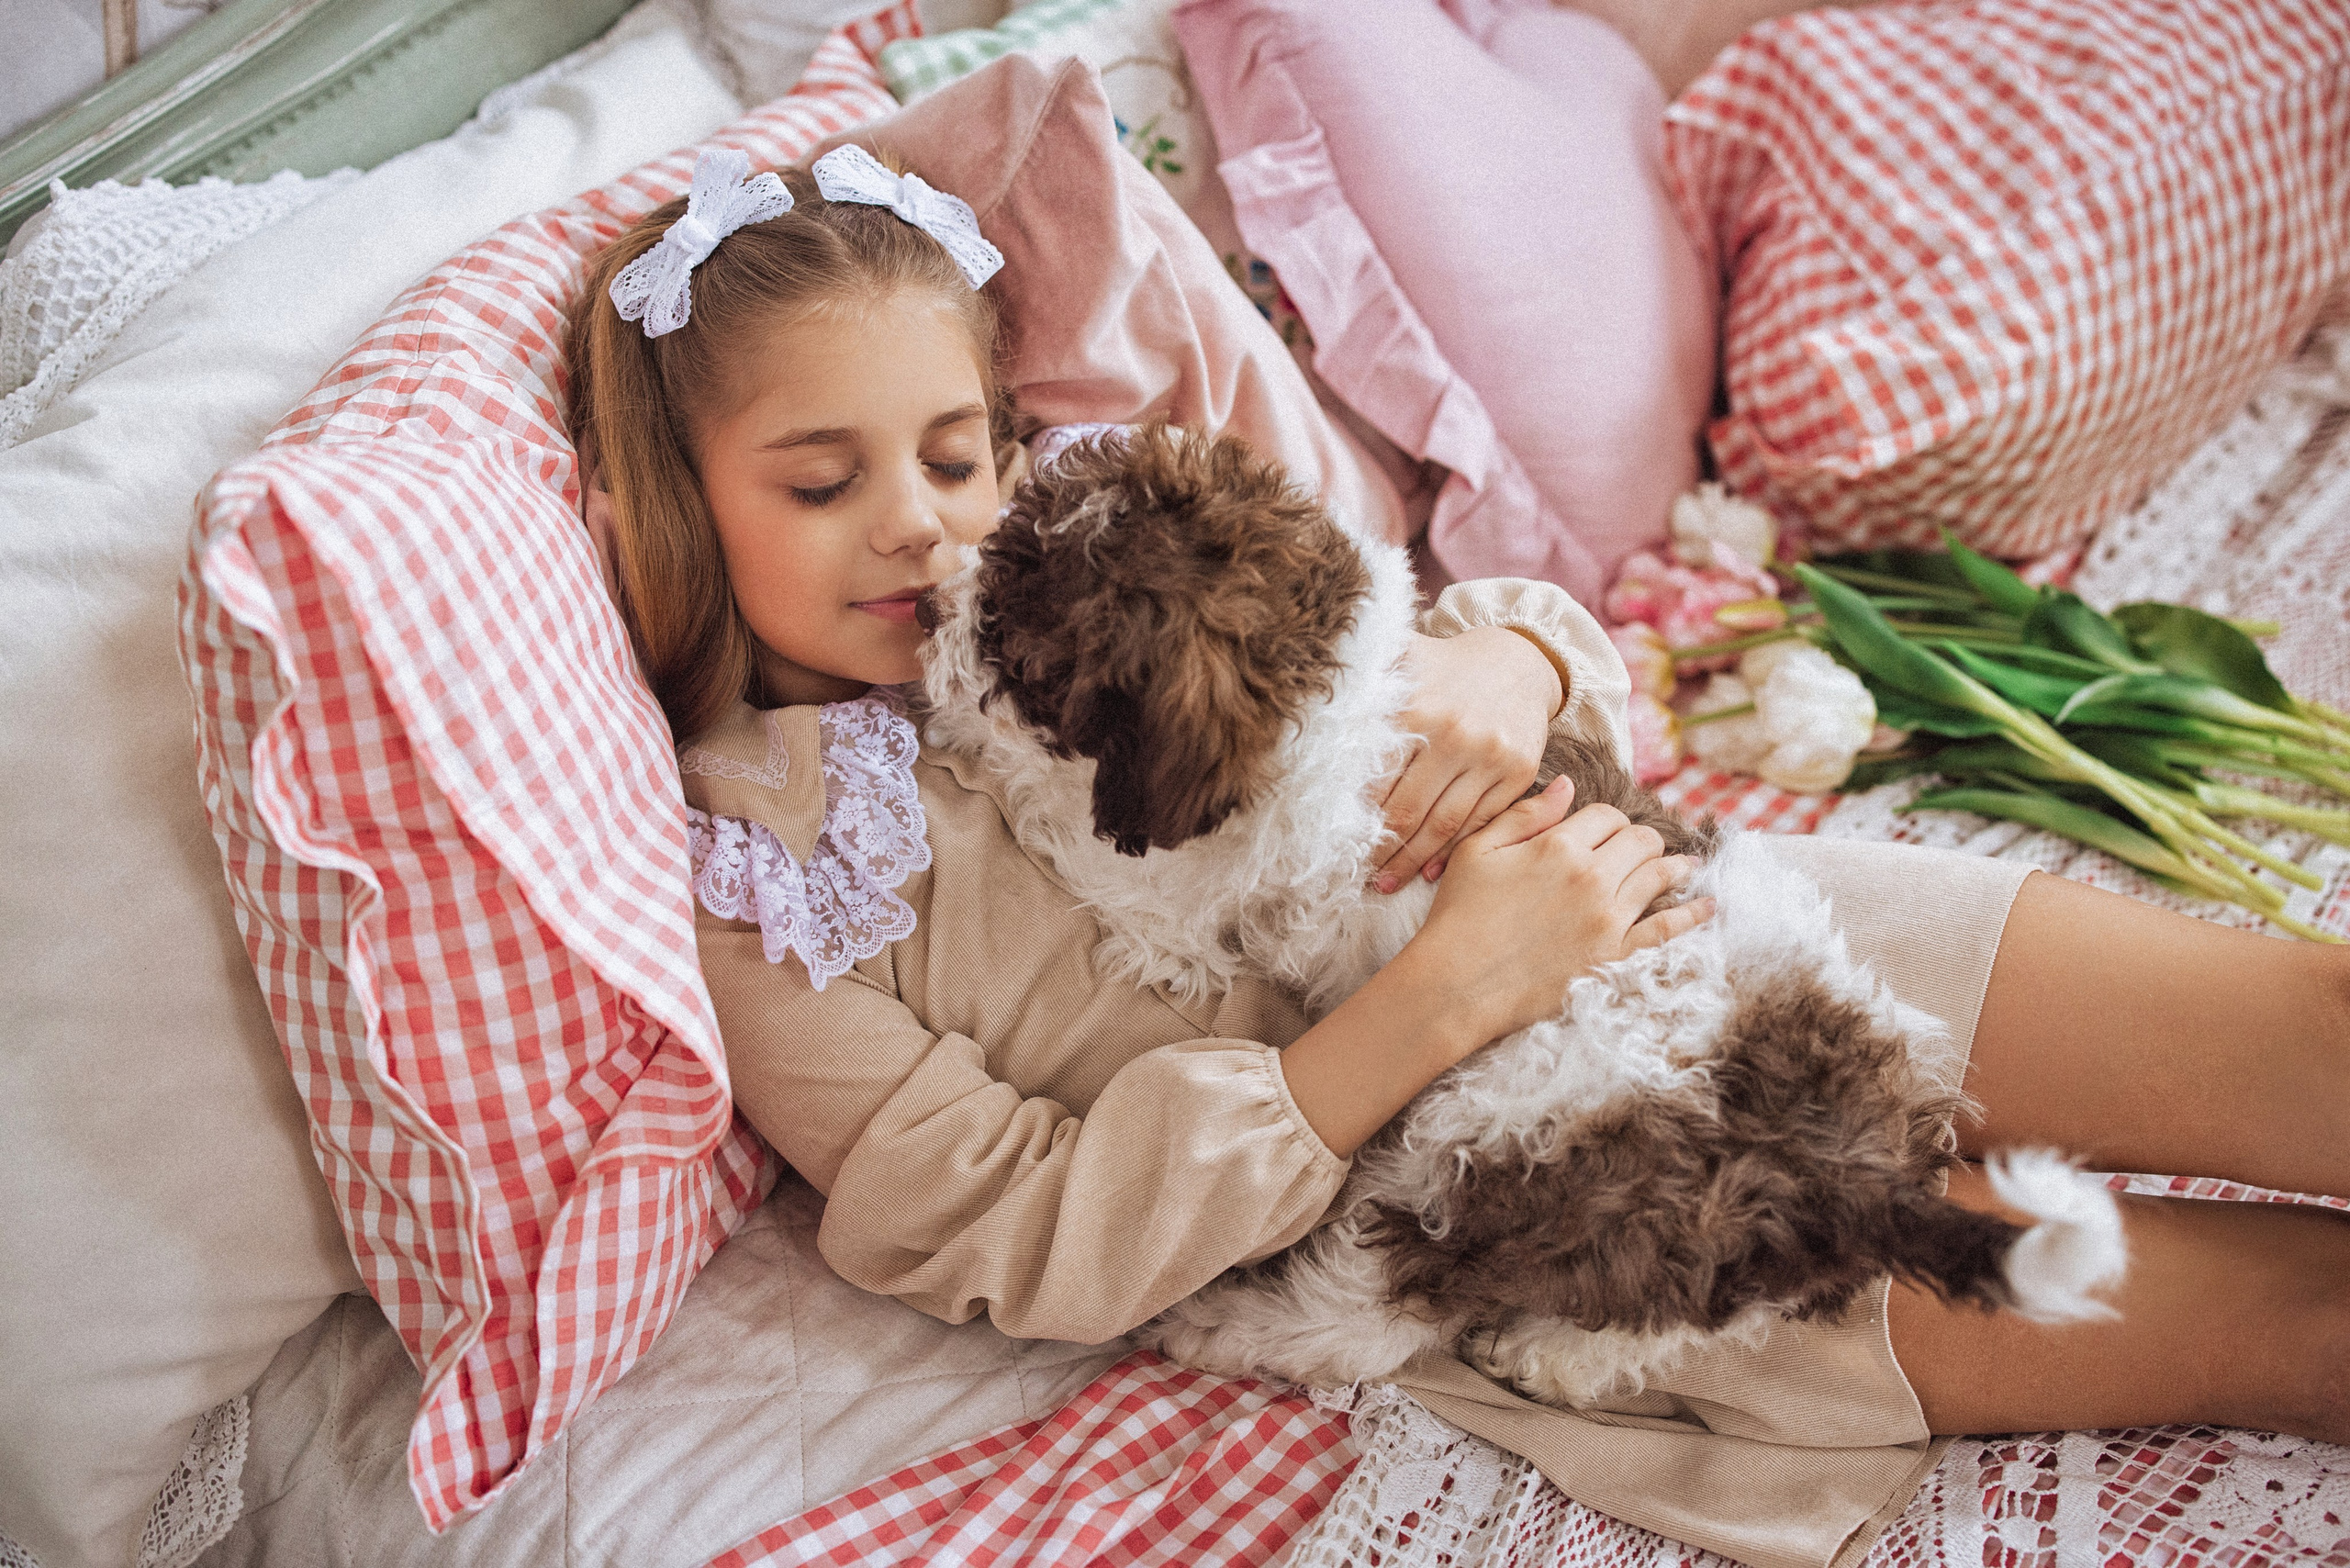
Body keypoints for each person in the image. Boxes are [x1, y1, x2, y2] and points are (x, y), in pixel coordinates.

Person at [564, 145, 2350, 1567]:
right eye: (819, 482)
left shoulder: (1091, 530)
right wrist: (1431, 1005)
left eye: (954, 451)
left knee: (2310, 1035)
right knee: (2304, 1319)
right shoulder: (763, 875)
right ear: (675, 504)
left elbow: (1407, 630)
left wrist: (1500, 664)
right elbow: (1013, 1227)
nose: (919, 523)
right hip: (1569, 1221)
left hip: (1697, 932)